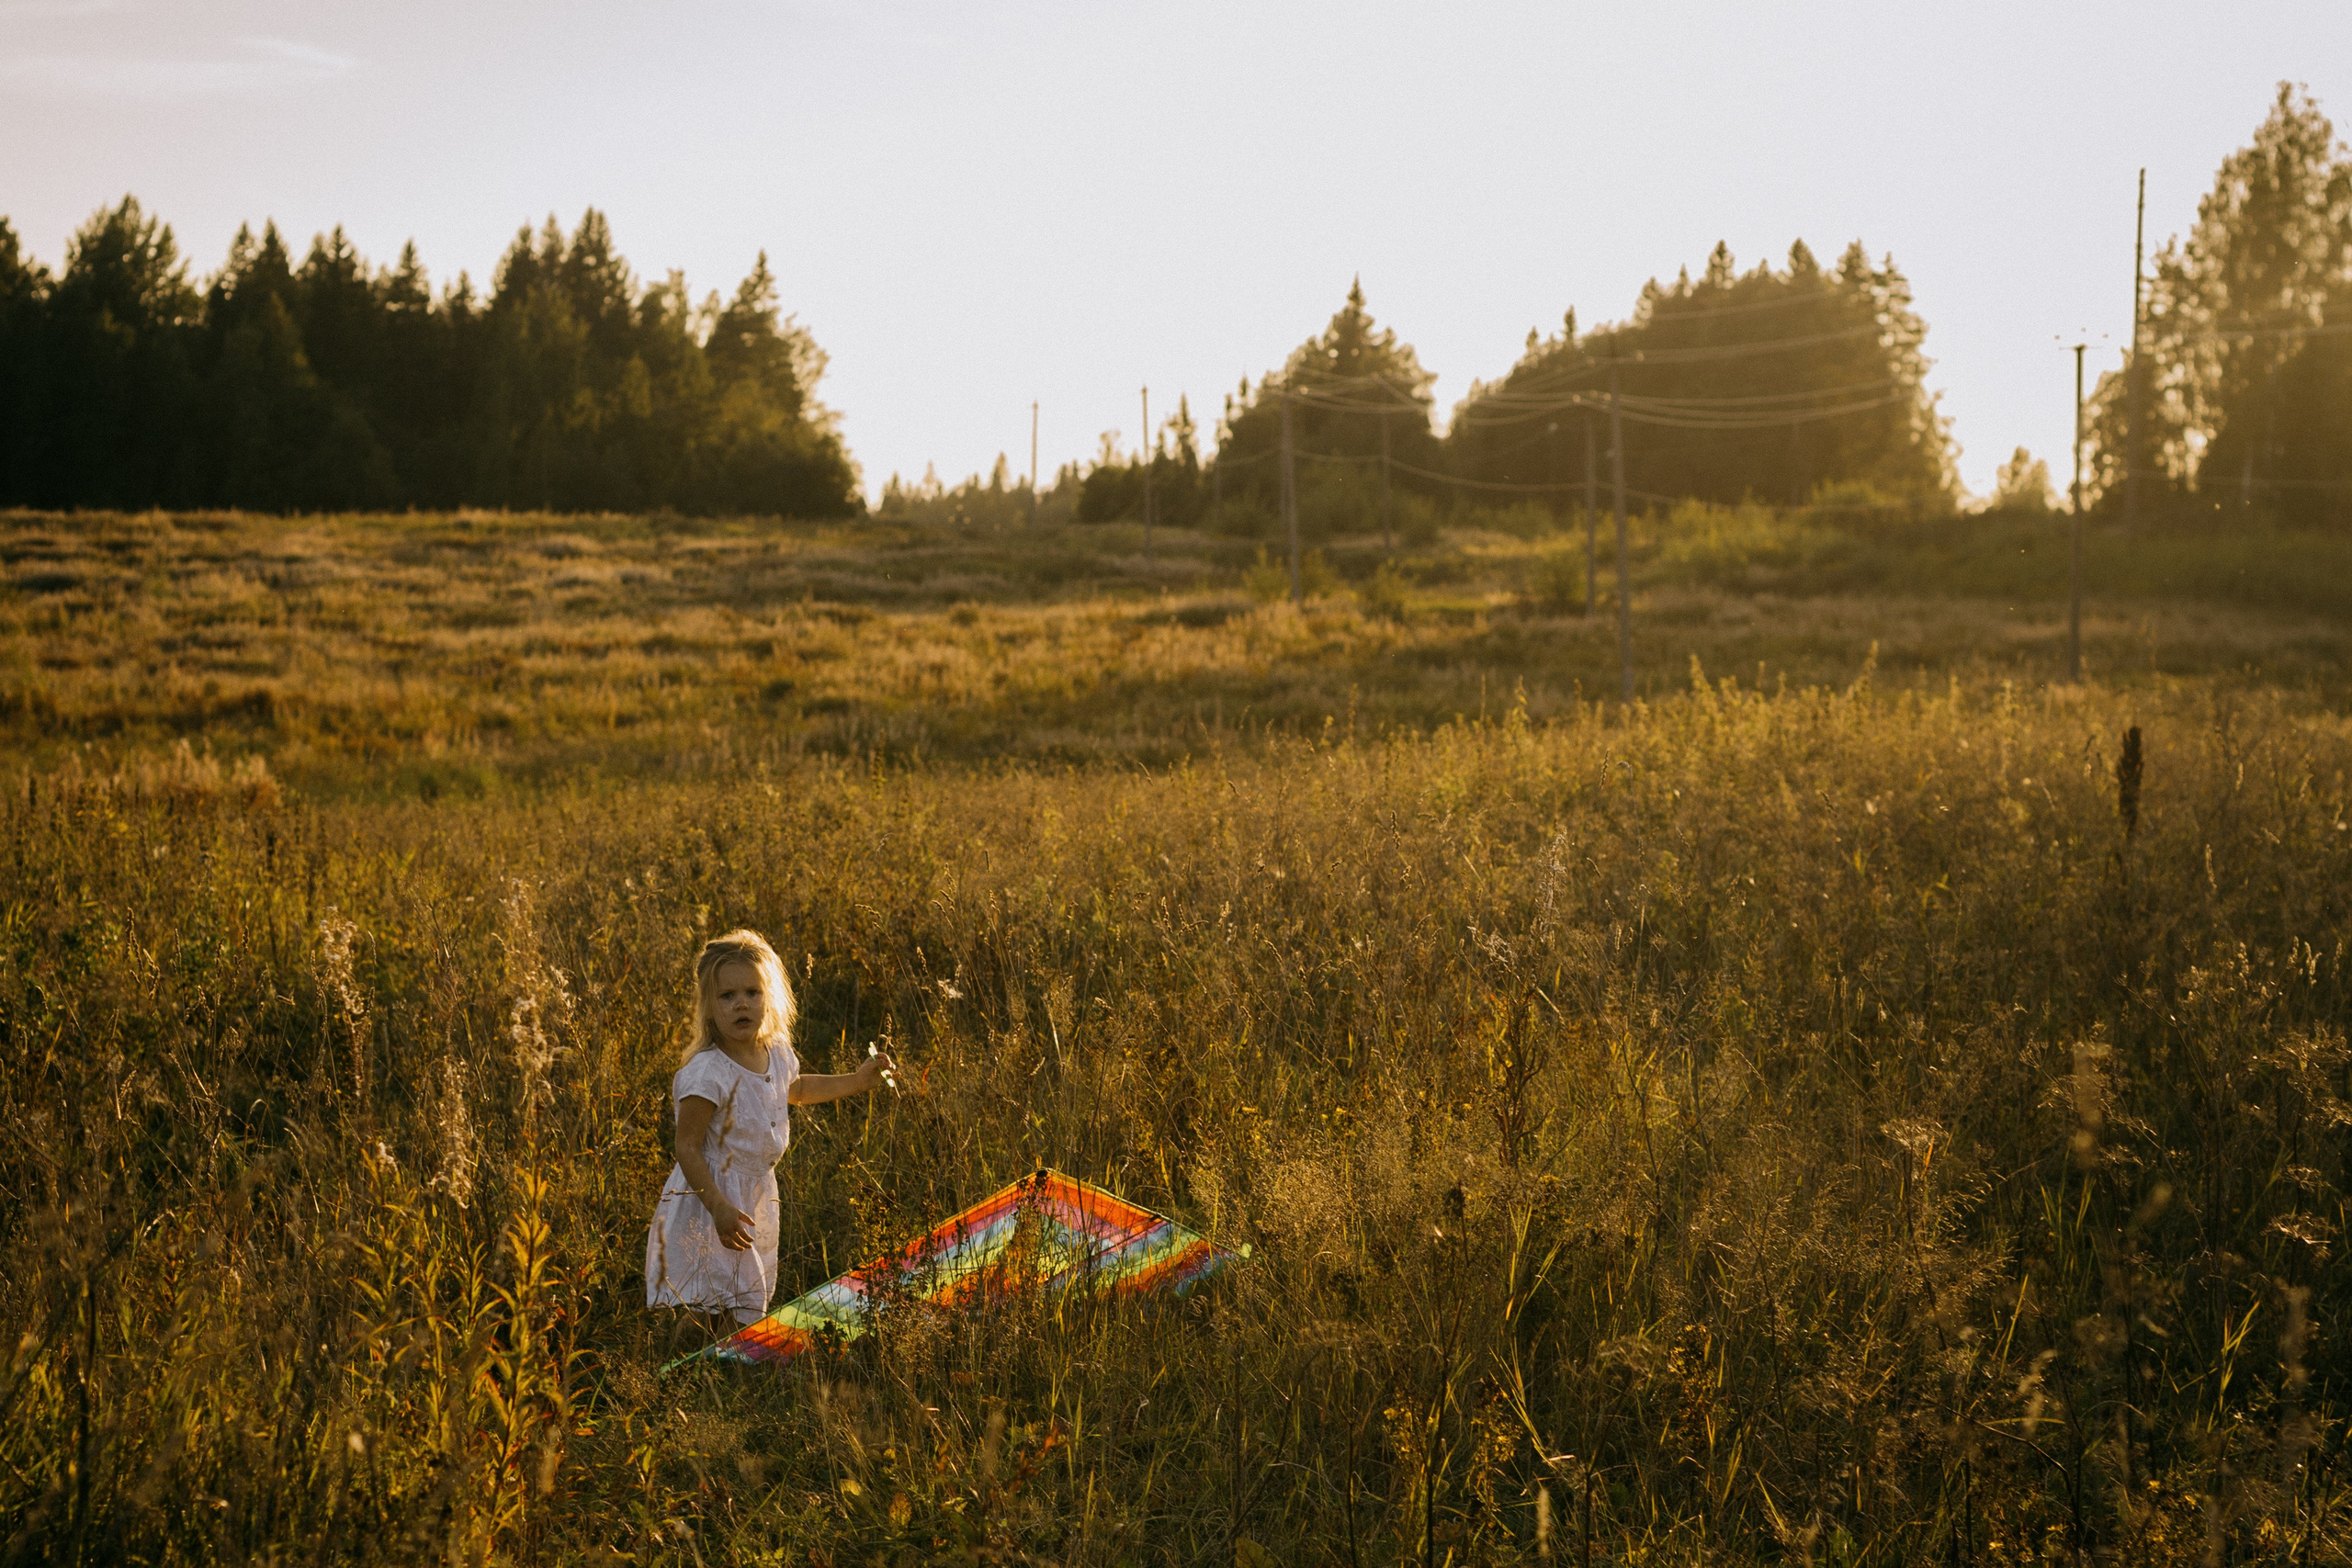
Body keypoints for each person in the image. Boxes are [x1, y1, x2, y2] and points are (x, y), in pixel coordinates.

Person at [645, 930, 896, 1329]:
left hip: (756, 1193)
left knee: (745, 1295)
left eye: (752, 993)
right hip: (711, 1198)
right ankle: (680, 1370)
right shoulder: (708, 1072)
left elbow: (795, 1089)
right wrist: (718, 1207)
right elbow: (688, 1147)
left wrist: (857, 1080)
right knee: (703, 1299)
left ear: (769, 997)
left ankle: (729, 1367)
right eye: (727, 997)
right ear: (708, 1007)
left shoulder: (775, 1050)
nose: (741, 1003)